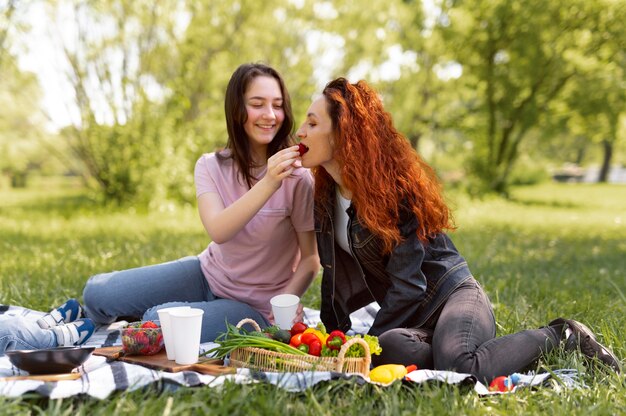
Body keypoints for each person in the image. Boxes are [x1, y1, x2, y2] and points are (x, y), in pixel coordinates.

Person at [295, 77, 620, 382]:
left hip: (454, 296)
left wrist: (366, 343)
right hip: (414, 321)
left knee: (457, 365)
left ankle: (561, 336)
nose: (300, 131)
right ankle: (457, 349)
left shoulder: (391, 194)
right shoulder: (324, 197)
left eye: (312, 123)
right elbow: (333, 277)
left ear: (343, 133)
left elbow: (408, 286)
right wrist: (332, 342)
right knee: (391, 347)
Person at [0, 63, 319, 354]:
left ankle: (129, 324)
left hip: (254, 308)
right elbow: (219, 230)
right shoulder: (210, 166)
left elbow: (309, 260)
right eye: (257, 103)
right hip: (207, 274)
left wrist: (284, 305)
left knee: (158, 319)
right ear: (237, 109)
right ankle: (83, 323)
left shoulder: (298, 179)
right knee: (96, 291)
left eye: (277, 105)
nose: (270, 114)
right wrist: (267, 183)